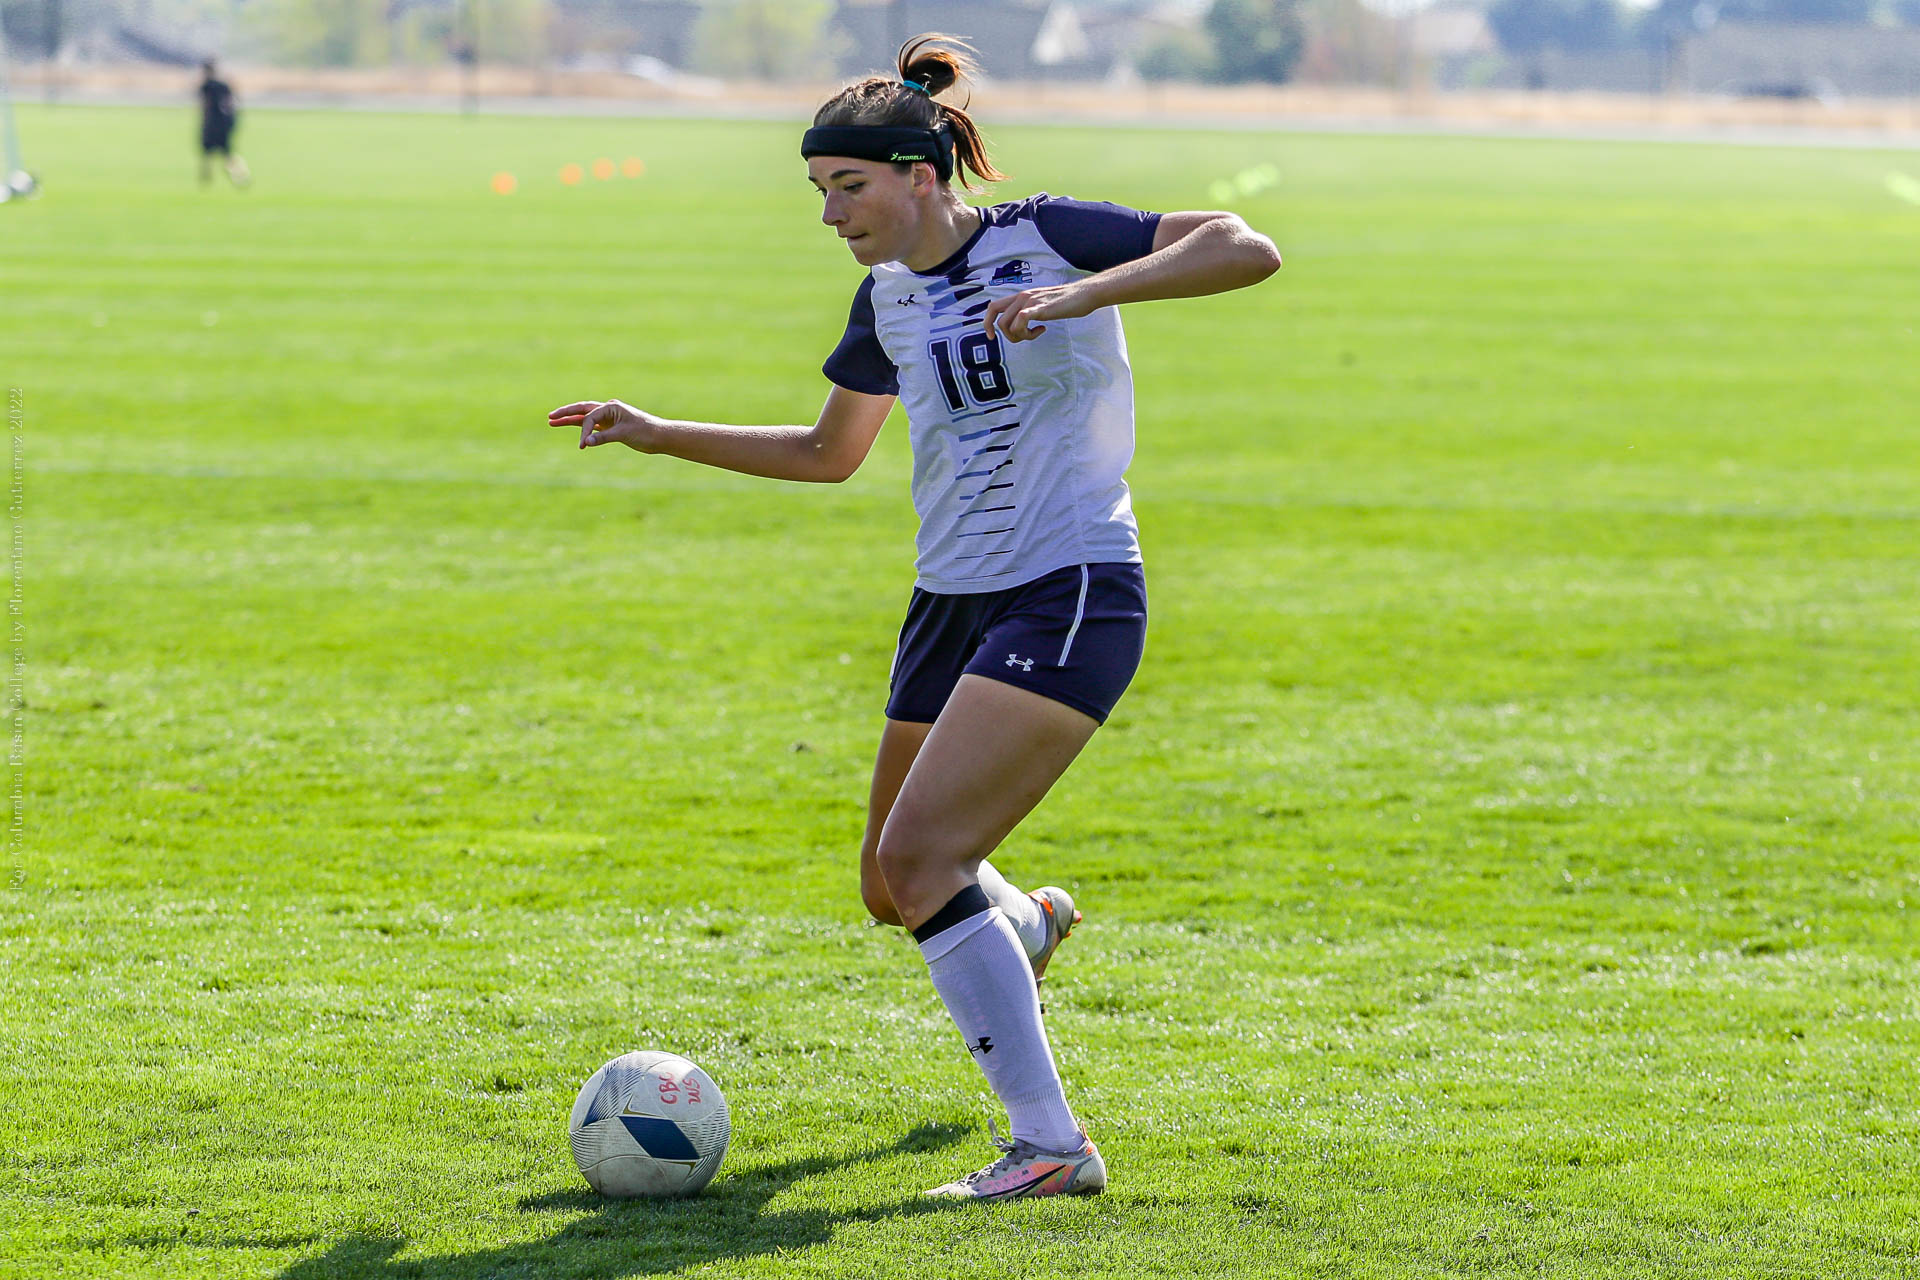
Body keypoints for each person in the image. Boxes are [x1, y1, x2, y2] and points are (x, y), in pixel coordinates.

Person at [548, 34, 1280, 1200]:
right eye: (819, 191)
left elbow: (1245, 246)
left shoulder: (1046, 233)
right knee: (891, 887)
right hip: (949, 601)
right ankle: (1026, 927)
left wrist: (1087, 292)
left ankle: (1050, 1145)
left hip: (1070, 583)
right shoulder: (885, 296)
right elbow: (829, 451)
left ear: (922, 174)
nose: (833, 213)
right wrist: (655, 427)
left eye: (850, 186)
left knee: (923, 853)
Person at [197, 60, 250, 188]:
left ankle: (206, 178)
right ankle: (240, 175)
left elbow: (205, 106)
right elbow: (234, 103)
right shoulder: (224, 85)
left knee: (208, 153)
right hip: (225, 123)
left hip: (212, 124)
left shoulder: (206, 86)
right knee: (227, 153)